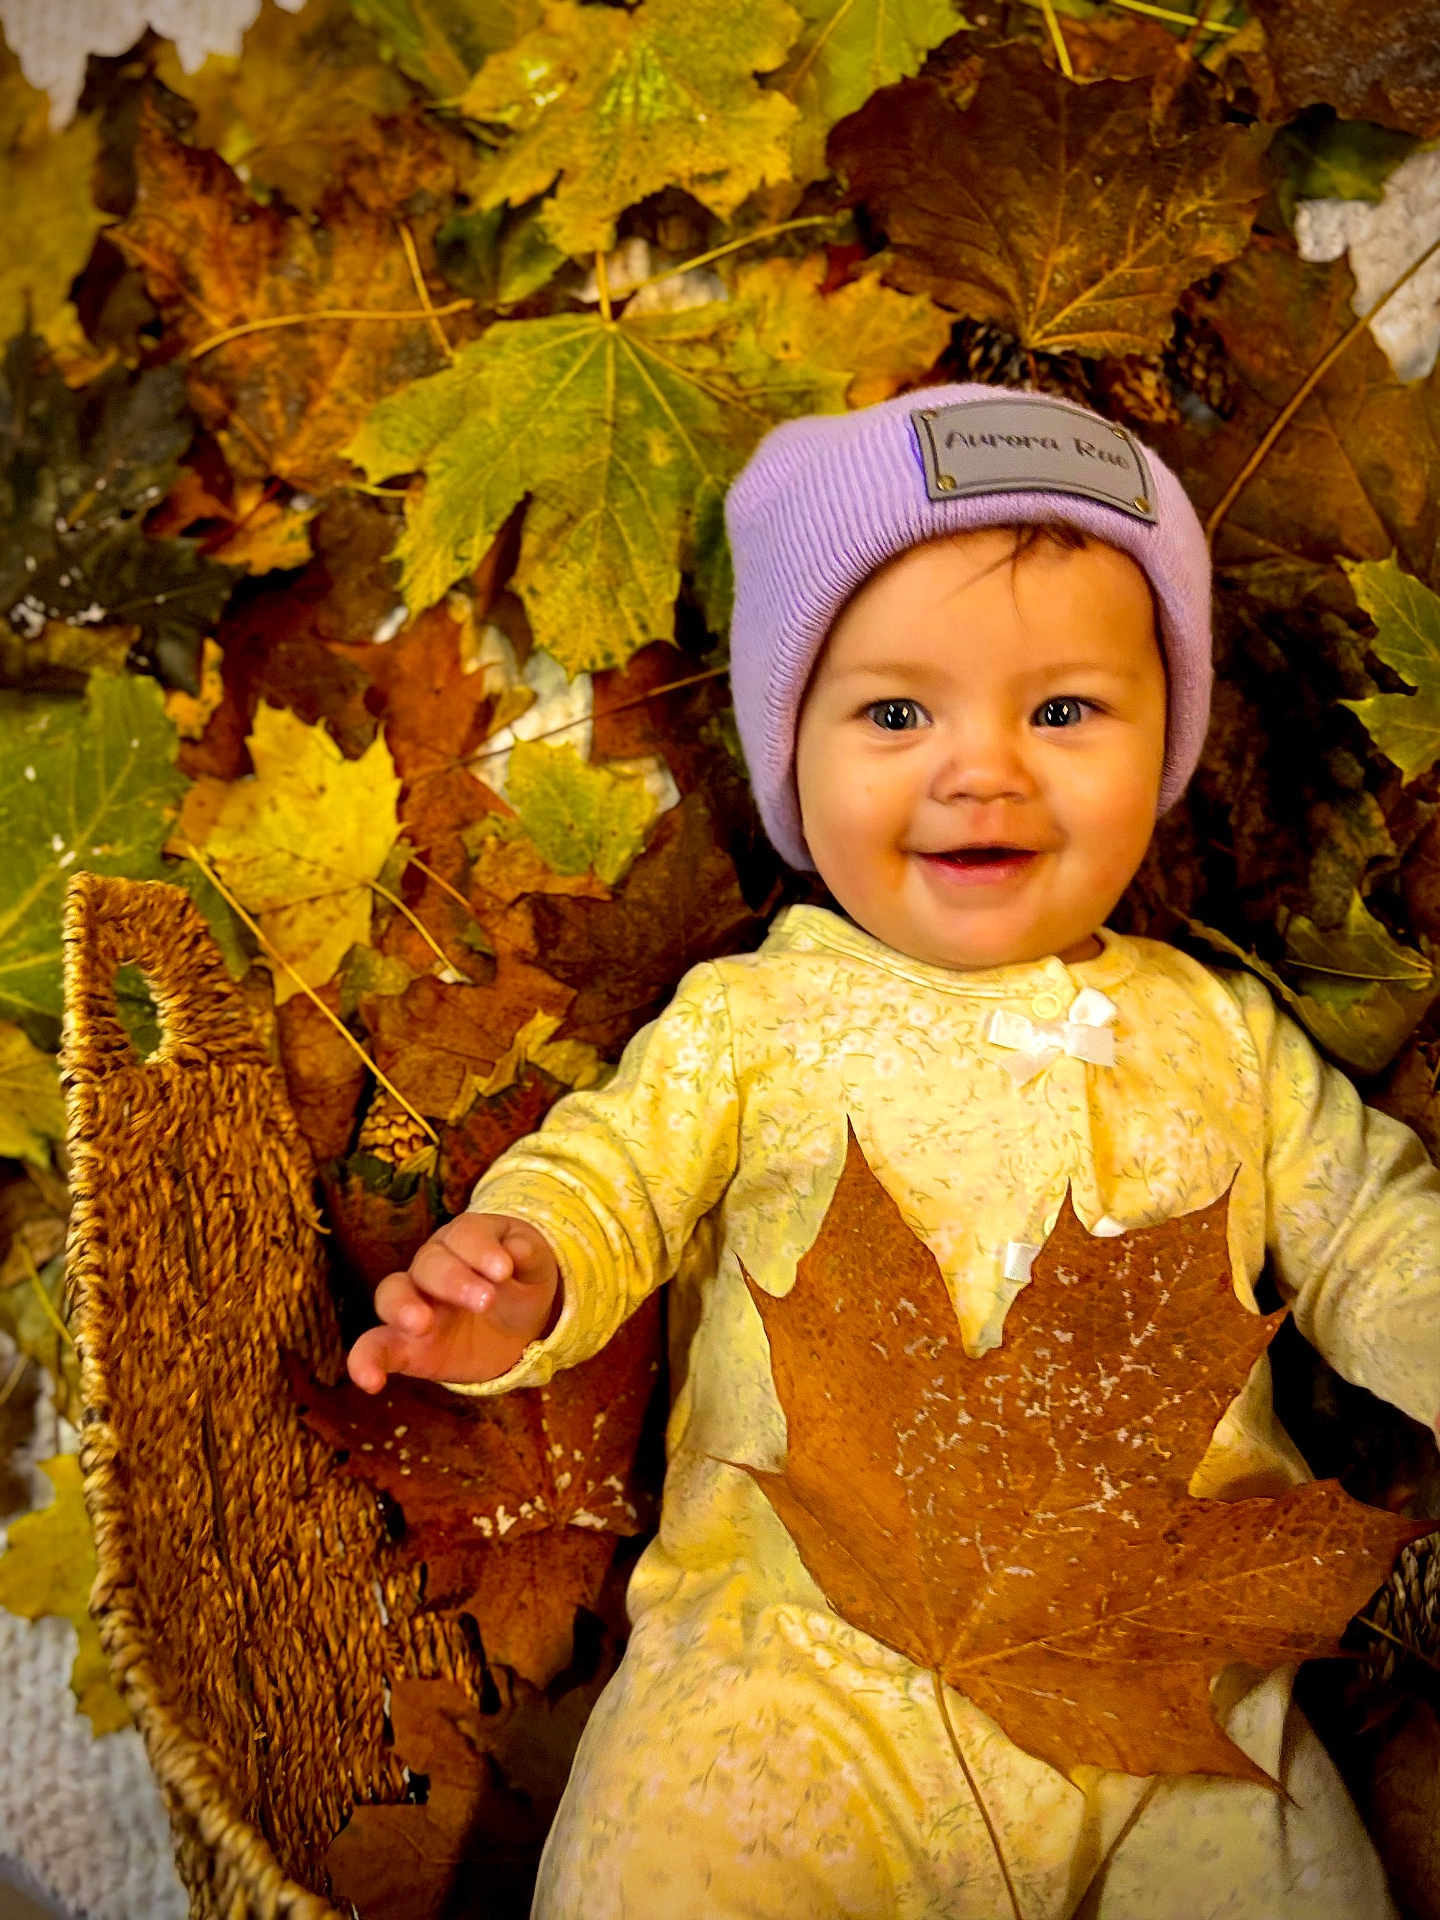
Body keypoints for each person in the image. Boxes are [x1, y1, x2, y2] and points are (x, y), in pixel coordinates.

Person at [346, 383, 1440, 1918]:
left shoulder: (1217, 1031)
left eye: (1064, 711)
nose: (982, 768)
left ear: (1167, 743)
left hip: (1168, 1684)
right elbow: (616, 1174)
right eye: (897, 714)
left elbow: (1374, 1235)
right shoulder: (759, 1017)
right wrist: (528, 1269)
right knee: (662, 1870)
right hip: (791, 1670)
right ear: (792, 749)